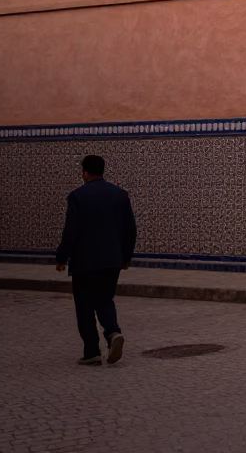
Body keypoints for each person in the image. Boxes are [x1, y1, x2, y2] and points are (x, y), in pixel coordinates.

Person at [55, 155, 137, 366]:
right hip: (112, 260)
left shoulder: (78, 197)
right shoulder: (120, 195)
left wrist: (62, 257)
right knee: (104, 298)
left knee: (84, 305)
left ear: (85, 172)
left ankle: (91, 350)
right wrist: (126, 256)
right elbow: (130, 229)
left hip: (85, 261)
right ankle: (112, 332)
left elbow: (70, 231)